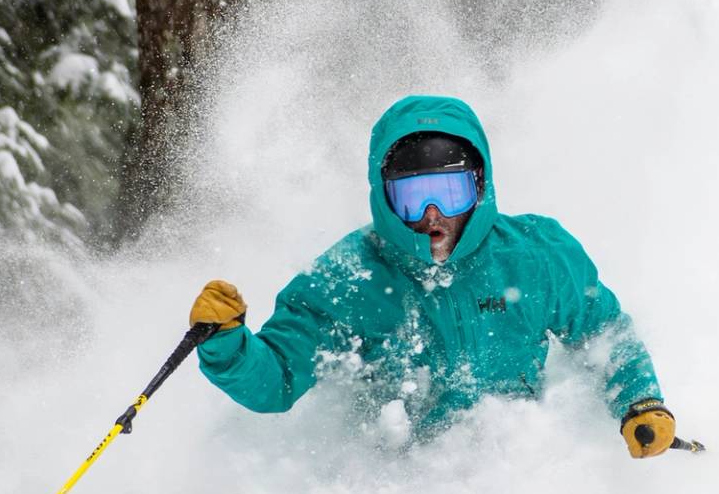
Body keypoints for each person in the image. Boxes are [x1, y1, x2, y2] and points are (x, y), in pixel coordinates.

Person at [187, 94, 680, 456]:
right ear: (383, 197)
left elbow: (601, 332)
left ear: (479, 186)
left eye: (449, 193)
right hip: (402, 491)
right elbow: (277, 380)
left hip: (522, 470)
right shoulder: (348, 279)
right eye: (410, 197)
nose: (431, 215)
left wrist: (640, 402)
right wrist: (228, 347)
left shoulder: (534, 255)